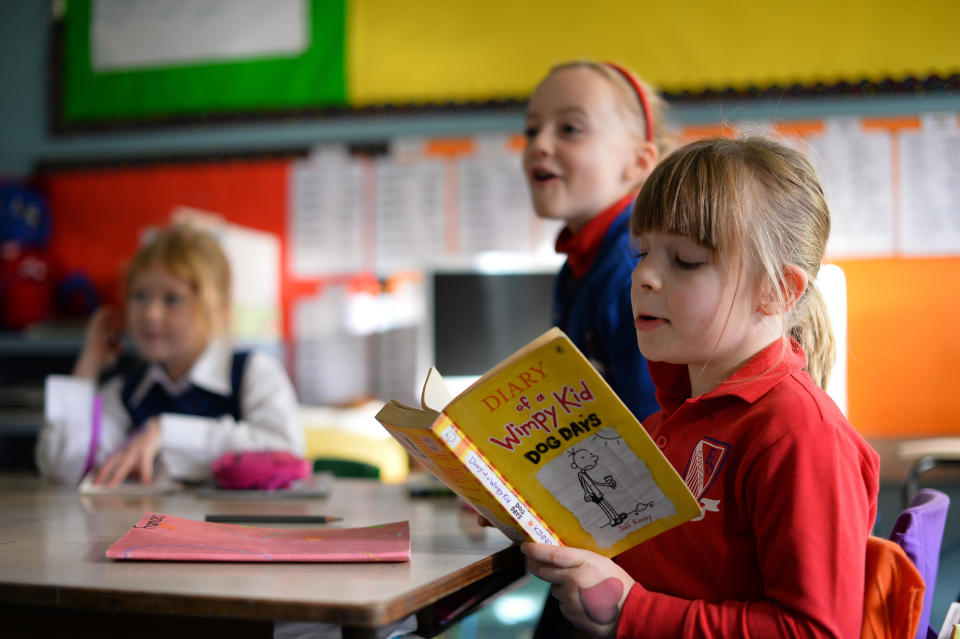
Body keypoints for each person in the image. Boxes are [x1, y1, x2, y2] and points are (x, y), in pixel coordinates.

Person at [521, 137, 881, 638]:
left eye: (686, 261)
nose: (643, 276)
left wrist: (631, 613)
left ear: (776, 291)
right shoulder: (671, 419)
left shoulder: (797, 435)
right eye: (641, 252)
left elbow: (816, 631)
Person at [36, 222, 304, 487]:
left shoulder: (252, 373)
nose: (150, 313)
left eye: (172, 299)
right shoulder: (128, 390)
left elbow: (287, 452)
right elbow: (63, 468)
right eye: (139, 295)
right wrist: (89, 364)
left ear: (218, 311)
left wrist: (167, 433)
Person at [523, 60, 671, 421]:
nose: (539, 144)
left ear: (638, 163)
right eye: (531, 130)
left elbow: (648, 428)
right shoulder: (577, 263)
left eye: (570, 129)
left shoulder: (634, 266)